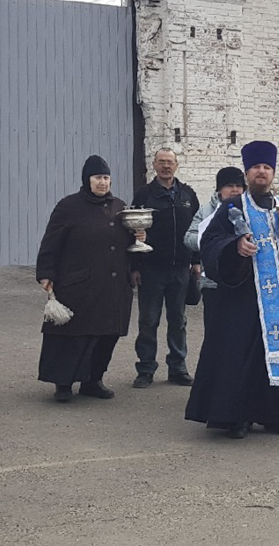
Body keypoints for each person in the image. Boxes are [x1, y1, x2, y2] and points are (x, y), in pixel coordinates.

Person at [184, 141, 279, 439]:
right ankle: (237, 417)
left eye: (267, 168)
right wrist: (235, 246)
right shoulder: (232, 206)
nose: (262, 172)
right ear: (247, 172)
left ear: (273, 173)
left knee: (278, 354)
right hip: (243, 298)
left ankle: (276, 416)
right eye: (257, 167)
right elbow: (211, 242)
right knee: (240, 356)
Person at [35, 155, 134, 402]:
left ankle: (93, 380)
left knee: (106, 334)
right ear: (86, 180)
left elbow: (127, 243)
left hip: (112, 286)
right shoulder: (69, 206)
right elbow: (51, 241)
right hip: (78, 284)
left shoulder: (119, 206)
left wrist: (138, 238)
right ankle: (63, 383)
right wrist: (46, 272)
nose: (102, 182)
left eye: (106, 178)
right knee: (73, 336)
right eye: (98, 177)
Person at [131, 149, 200, 388]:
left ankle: (178, 368)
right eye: (161, 162)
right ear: (154, 165)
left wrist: (196, 261)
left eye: (170, 162)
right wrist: (135, 267)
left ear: (177, 165)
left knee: (178, 321)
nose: (166, 166)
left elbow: (197, 227)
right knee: (148, 321)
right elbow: (132, 232)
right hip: (151, 268)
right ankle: (146, 369)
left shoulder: (188, 195)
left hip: (181, 268)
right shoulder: (143, 195)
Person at [184, 166, 246, 331]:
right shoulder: (206, 211)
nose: (235, 190)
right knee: (215, 331)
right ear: (219, 189)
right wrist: (210, 242)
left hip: (244, 281)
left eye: (239, 186)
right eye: (229, 186)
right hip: (213, 282)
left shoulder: (250, 210)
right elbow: (188, 237)